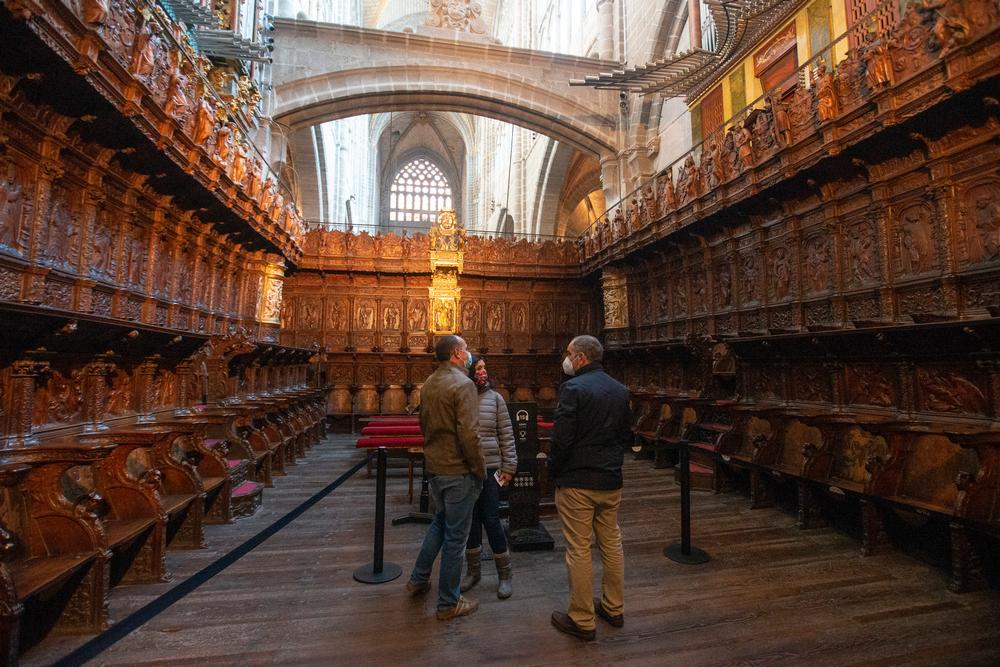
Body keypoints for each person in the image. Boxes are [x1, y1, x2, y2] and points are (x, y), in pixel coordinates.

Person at [548, 335, 631, 641]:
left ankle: (582, 619)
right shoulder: (620, 389)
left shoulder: (573, 388)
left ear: (581, 358)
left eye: (569, 353)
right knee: (612, 544)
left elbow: (562, 439)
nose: (566, 359)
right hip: (611, 479)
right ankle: (613, 607)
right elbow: (625, 435)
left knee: (579, 548)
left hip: (577, 481)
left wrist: (553, 470)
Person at [405, 335, 486, 620]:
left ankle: (418, 579)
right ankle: (448, 603)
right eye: (465, 350)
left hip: (435, 466)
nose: (469, 354)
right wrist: (479, 469)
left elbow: (424, 425)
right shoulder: (463, 384)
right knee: (456, 539)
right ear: (455, 353)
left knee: (439, 524)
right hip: (458, 470)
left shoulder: (429, 383)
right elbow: (469, 435)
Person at [461, 356, 517, 599]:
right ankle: (473, 572)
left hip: (491, 468)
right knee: (471, 521)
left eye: (485, 368)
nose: (483, 372)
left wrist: (509, 467)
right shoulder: (462, 397)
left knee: (491, 519)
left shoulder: (496, 399)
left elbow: (506, 434)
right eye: (479, 368)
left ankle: (504, 574)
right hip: (466, 470)